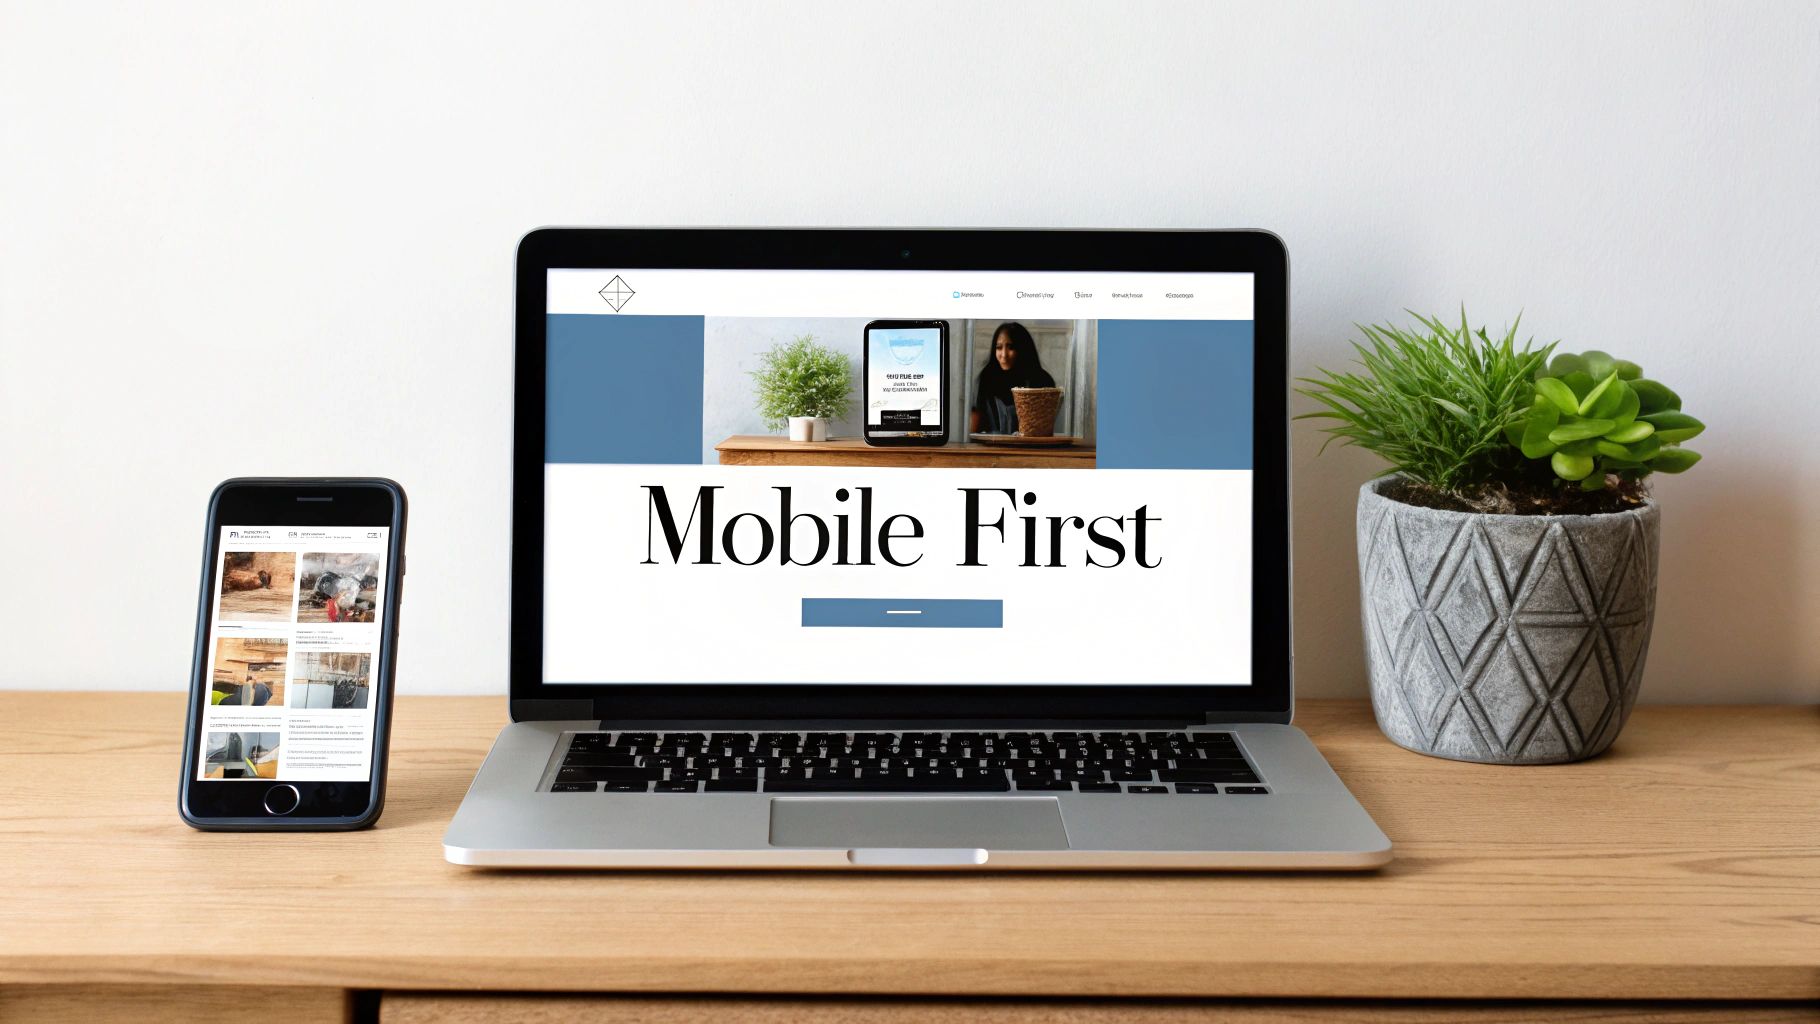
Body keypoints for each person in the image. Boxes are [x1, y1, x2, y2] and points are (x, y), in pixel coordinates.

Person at [969, 322, 1055, 434]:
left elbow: (1044, 430)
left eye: (1011, 347)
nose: (1004, 354)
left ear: (1022, 348)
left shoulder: (1042, 380)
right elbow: (975, 430)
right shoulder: (986, 378)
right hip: (993, 448)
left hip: (1031, 449)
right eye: (999, 347)